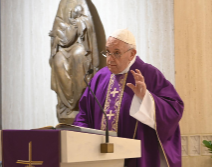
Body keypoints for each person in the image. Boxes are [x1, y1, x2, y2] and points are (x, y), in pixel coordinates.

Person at [73, 29, 184, 167]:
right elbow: (84, 113)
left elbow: (174, 109)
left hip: (136, 158)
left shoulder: (149, 74)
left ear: (132, 54)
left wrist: (146, 98)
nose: (109, 58)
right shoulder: (99, 78)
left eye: (116, 53)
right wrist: (84, 139)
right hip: (100, 158)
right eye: (107, 52)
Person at [49, 0, 99, 121]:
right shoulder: (63, 2)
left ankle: (77, 104)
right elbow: (57, 22)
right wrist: (59, 34)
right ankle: (66, 104)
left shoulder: (82, 1)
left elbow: (88, 24)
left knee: (79, 55)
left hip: (78, 43)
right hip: (63, 45)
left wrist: (78, 23)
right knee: (57, 61)